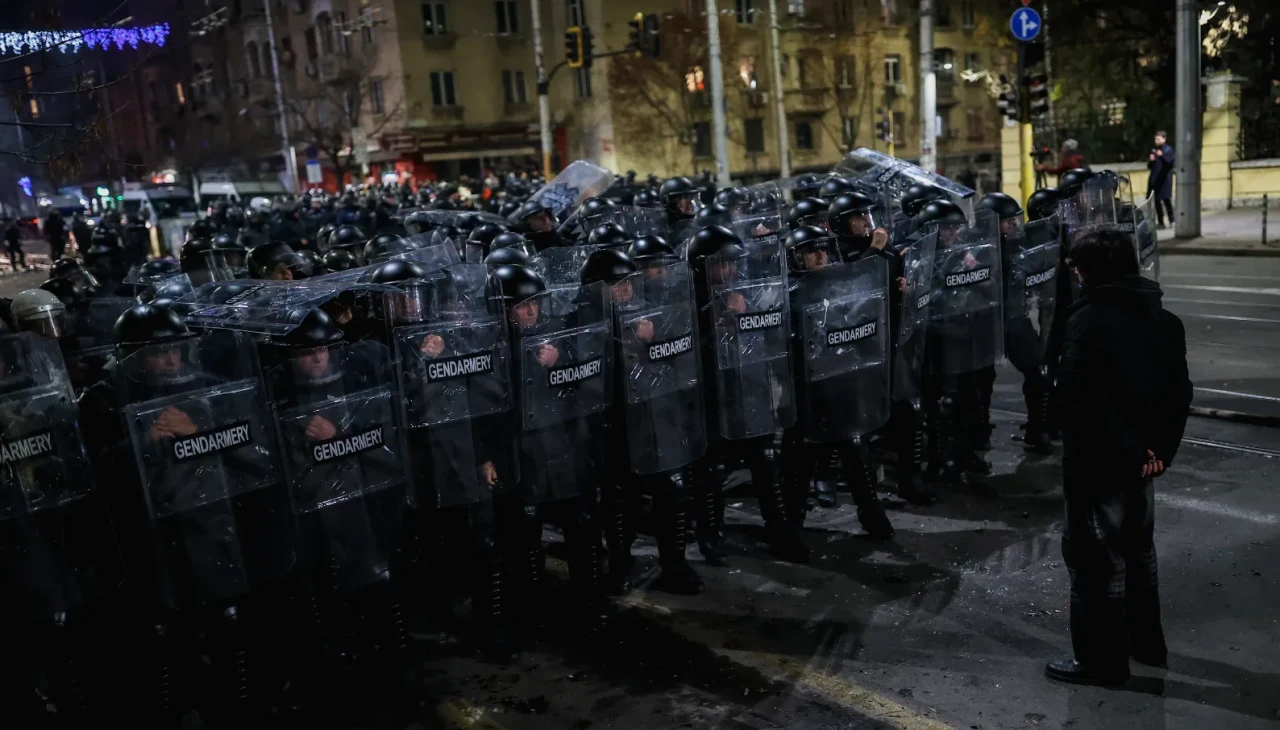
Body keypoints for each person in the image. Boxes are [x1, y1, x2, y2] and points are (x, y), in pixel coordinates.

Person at [1044, 228, 1192, 687]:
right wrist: (1158, 452)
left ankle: (1102, 662)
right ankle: (1148, 646)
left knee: (1096, 563)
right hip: (1145, 461)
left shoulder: (1084, 322)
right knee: (1139, 552)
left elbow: (1083, 404)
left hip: (1099, 463)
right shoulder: (1164, 319)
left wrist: (1132, 450)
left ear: (1088, 271)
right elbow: (1178, 394)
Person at [1147, 131, 1176, 228]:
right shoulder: (1155, 150)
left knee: (1166, 200)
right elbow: (1151, 166)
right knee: (1156, 201)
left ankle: (1172, 220)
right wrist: (1151, 160)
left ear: (1164, 139)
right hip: (1155, 179)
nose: (1156, 141)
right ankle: (1160, 222)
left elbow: (1170, 162)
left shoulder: (1168, 150)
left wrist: (1161, 156)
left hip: (1165, 179)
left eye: (1158, 139)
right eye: (1155, 139)